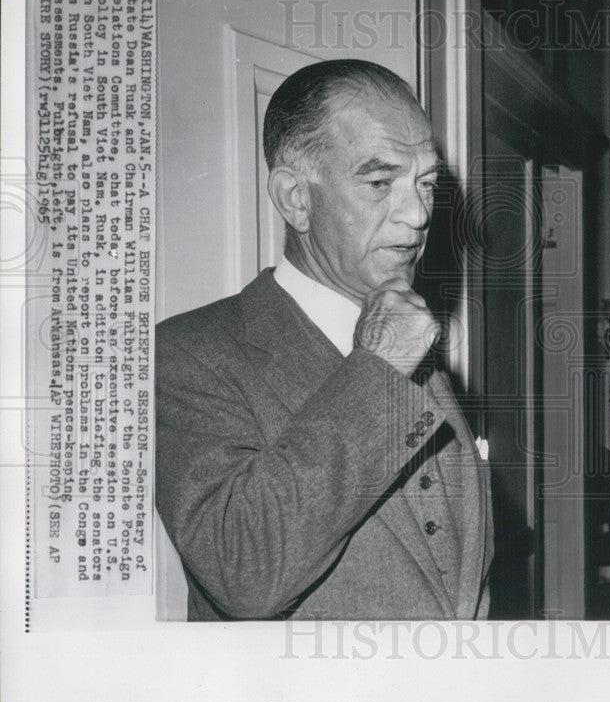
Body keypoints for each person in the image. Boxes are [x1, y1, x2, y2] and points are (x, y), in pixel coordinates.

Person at [156, 60, 492, 621]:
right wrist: (380, 368)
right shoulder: (191, 354)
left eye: (426, 183)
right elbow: (243, 570)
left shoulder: (422, 357)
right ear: (295, 198)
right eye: (380, 182)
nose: (417, 215)